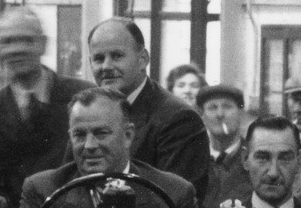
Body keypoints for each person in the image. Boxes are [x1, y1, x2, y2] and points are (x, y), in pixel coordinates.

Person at [0, 6, 88, 207]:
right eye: (7, 41)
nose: (16, 49)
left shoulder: (83, 99)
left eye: (26, 40)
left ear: (43, 44)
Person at [20, 88, 199, 208]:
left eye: (101, 133)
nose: (89, 145)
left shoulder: (174, 194)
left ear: (128, 135)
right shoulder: (42, 191)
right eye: (79, 135)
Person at [85, 17, 210, 189]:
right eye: (98, 58)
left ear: (143, 59)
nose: (106, 66)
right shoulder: (86, 114)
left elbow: (176, 200)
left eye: (117, 56)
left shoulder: (179, 119)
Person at [196, 83, 251, 208]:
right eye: (212, 108)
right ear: (202, 116)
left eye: (227, 106)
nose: (220, 114)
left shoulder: (253, 157)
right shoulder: (193, 158)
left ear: (241, 113)